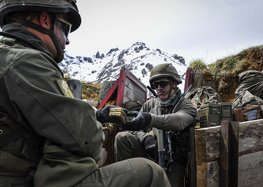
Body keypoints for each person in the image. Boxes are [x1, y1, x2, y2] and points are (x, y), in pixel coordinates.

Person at [0, 0, 171, 186]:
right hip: (23, 179)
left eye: (164, 84)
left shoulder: (10, 57)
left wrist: (98, 115)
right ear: (45, 20)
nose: (67, 39)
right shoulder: (25, 62)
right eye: (66, 28)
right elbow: (84, 136)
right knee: (149, 173)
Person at [114, 63, 197, 187]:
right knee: (122, 137)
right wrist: (145, 137)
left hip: (174, 161)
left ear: (174, 84)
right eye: (155, 85)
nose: (158, 88)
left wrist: (150, 119)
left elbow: (179, 121)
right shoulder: (150, 104)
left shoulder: (186, 105)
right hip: (151, 154)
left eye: (163, 84)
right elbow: (135, 126)